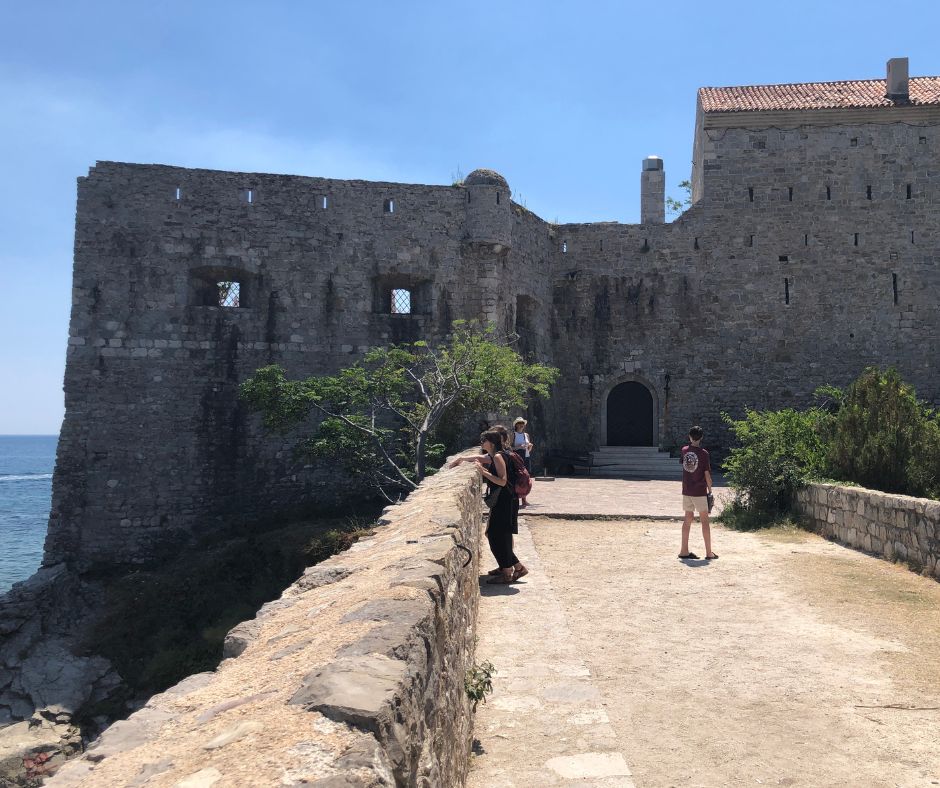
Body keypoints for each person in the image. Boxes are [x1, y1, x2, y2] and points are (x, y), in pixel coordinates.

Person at [449, 429, 528, 583]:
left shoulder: (498, 456)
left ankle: (508, 572)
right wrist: (467, 461)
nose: (481, 443)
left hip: (505, 501)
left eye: (483, 440)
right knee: (497, 535)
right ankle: (516, 568)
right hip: (505, 500)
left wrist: (482, 471)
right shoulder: (496, 455)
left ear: (491, 443)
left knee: (497, 535)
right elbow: (484, 461)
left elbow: (502, 481)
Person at [678, 425, 717, 560]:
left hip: (687, 490)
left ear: (689, 436)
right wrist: (710, 491)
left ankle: (684, 550)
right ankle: (708, 552)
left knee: (687, 519)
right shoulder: (704, 454)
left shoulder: (684, 451)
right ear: (701, 438)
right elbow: (707, 475)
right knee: (705, 521)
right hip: (699, 491)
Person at [511, 418, 534, 507]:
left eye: (523, 423)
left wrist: (530, 446)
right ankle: (515, 499)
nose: (521, 425)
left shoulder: (526, 435)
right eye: (519, 423)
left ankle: (524, 499)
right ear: (516, 425)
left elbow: (529, 449)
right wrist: (519, 447)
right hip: (517, 458)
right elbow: (509, 448)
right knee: (517, 478)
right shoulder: (513, 435)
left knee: (526, 478)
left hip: (526, 457)